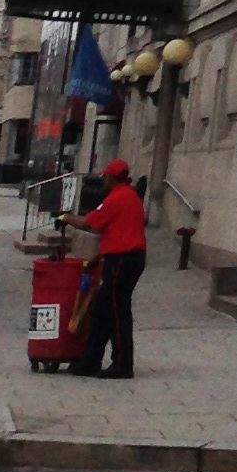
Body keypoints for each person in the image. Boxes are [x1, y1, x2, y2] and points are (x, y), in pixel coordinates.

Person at [71, 159, 146, 378]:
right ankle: (90, 360)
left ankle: (122, 363)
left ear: (112, 178)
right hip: (127, 258)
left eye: (105, 176)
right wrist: (98, 256)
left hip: (123, 260)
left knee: (116, 310)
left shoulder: (116, 198)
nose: (103, 180)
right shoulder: (131, 196)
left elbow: (88, 223)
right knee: (102, 310)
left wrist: (65, 217)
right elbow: (119, 231)